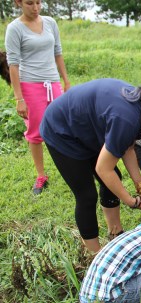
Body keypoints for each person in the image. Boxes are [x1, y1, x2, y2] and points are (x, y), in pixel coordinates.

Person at [40, 79, 141, 253]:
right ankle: (94, 254)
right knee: (86, 196)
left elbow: (128, 148)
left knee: (113, 180)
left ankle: (116, 233)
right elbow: (103, 169)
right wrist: (131, 201)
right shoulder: (126, 119)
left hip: (85, 128)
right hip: (62, 131)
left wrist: (140, 185)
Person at [5, 0, 70, 195]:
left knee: (62, 127)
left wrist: (66, 82)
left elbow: (58, 53)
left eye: (38, 2)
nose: (35, 8)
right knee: (35, 132)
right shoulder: (14, 28)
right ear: (18, 3)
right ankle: (41, 175)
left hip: (53, 84)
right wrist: (19, 99)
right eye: (30, 3)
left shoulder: (50, 22)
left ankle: (69, 169)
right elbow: (13, 65)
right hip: (30, 86)